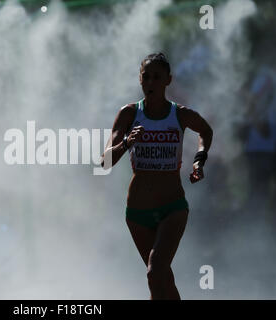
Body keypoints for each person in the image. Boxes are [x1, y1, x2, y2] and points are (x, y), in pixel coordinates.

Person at [101, 53, 213, 300]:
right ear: (140, 80)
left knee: (156, 270)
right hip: (138, 211)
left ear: (168, 81)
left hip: (172, 206)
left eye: (157, 77)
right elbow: (104, 161)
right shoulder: (129, 114)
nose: (150, 82)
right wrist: (127, 143)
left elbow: (205, 130)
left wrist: (199, 159)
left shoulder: (180, 114)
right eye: (146, 77)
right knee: (160, 279)